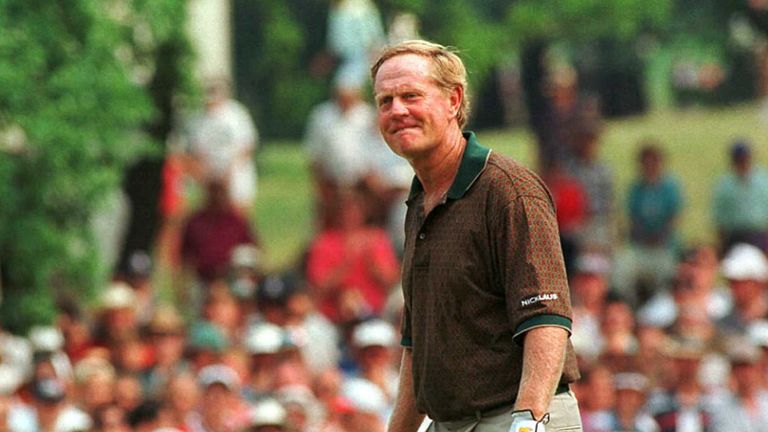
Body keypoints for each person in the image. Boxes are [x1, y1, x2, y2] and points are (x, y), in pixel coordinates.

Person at [371, 40, 581, 431]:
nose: (396, 110)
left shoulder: (508, 190)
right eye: (385, 101)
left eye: (411, 96)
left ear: (454, 101)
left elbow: (547, 321)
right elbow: (418, 347)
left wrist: (528, 422)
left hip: (520, 416)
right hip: (450, 422)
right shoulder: (419, 203)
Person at [712, 139, 768, 254]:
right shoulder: (725, 184)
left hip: (758, 234)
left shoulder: (762, 180)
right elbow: (719, 217)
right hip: (734, 235)